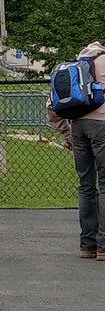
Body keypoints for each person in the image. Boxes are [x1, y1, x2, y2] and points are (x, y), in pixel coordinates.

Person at [47, 41, 105, 260]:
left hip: (78, 126)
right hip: (102, 125)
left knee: (86, 186)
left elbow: (52, 103)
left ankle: (87, 245)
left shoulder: (81, 61)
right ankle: (104, 245)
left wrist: (66, 133)